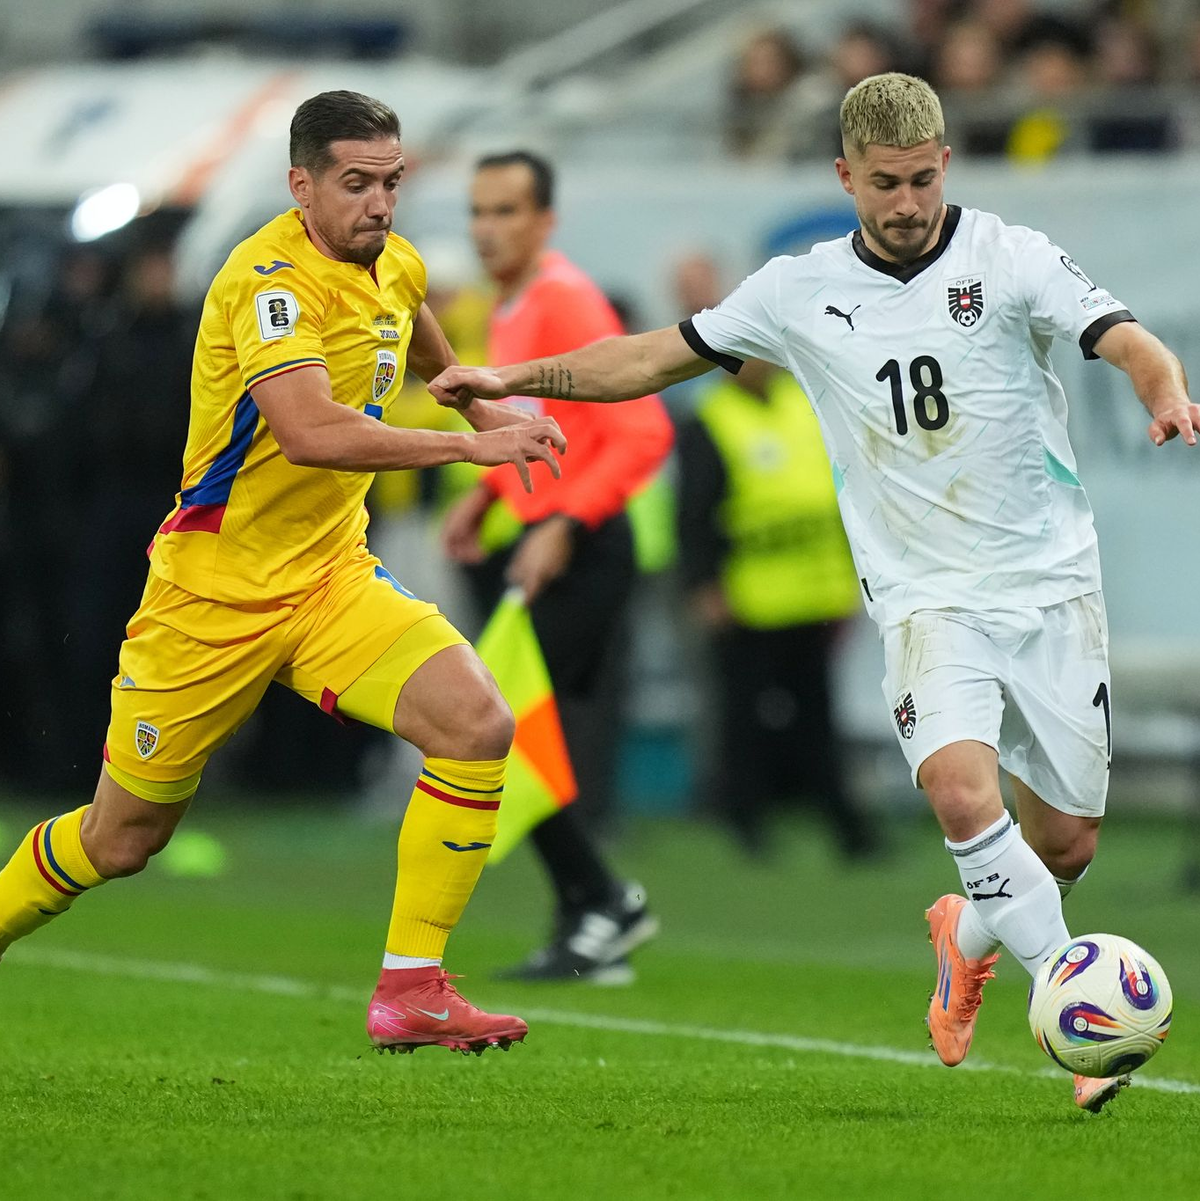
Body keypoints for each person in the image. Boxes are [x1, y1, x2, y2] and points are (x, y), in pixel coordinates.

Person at [429, 73, 1199, 1110]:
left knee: (1065, 843)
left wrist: (1164, 390)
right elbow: (652, 355)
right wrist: (513, 381)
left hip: (1051, 584)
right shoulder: (797, 290)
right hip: (925, 597)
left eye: (924, 179)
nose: (909, 202)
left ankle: (965, 936)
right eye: (886, 183)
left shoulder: (1006, 256)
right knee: (963, 795)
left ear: (945, 166)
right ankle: (1077, 1008)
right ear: (845, 176)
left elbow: (1122, 333)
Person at [0, 90, 569, 1056]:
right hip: (211, 596)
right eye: (356, 184)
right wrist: (465, 451)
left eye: (391, 182)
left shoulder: (392, 258)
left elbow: (410, 315)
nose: (380, 205)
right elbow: (308, 433)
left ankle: (412, 989)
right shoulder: (267, 279)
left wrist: (471, 400)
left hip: (329, 579)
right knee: (123, 840)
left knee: (476, 722)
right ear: (300, 185)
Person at [440, 150, 673, 982]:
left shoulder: (565, 298)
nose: (487, 229)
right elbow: (544, 429)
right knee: (513, 732)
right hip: (549, 543)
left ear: (546, 220)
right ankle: (591, 912)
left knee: (496, 728)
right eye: (478, 211)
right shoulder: (510, 306)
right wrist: (486, 500)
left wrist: (565, 523)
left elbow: (644, 432)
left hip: (584, 548)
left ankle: (603, 901)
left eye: (506, 211)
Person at [675, 358, 875, 859]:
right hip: (750, 595)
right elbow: (694, 511)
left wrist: (853, 581)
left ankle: (843, 824)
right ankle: (746, 820)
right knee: (743, 718)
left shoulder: (802, 404)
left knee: (819, 717)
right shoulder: (711, 418)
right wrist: (705, 586)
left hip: (816, 591)